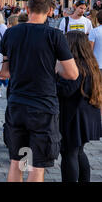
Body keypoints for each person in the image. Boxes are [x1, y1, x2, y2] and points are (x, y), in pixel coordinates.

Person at [0, 0, 79, 182]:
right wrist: (53, 66)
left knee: (18, 161)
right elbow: (72, 74)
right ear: (50, 11)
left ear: (27, 9)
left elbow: (3, 72)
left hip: (17, 104)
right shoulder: (54, 35)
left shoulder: (11, 32)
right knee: (37, 165)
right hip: (43, 107)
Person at [57, 31, 102, 182]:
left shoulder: (75, 65)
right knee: (79, 151)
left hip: (74, 115)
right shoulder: (91, 63)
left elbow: (66, 90)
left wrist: (54, 74)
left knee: (69, 153)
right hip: (88, 114)